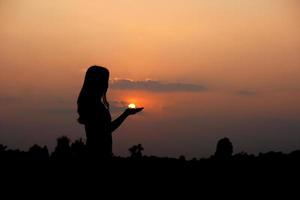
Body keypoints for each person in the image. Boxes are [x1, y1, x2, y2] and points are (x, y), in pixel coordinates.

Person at [77, 66, 143, 159]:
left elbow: (105, 129)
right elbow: (105, 130)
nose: (106, 85)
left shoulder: (92, 103)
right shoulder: (94, 106)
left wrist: (126, 114)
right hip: (97, 155)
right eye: (104, 81)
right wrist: (126, 114)